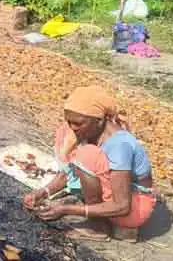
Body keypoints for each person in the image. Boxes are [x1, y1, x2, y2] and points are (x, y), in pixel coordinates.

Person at [24, 86, 156, 242]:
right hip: (118, 202)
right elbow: (68, 171)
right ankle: (97, 211)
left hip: (132, 210)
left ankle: (98, 228)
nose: (73, 127)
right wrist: (43, 192)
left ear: (99, 120)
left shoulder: (119, 145)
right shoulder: (92, 132)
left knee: (86, 155)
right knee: (66, 135)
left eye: (78, 123)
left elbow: (122, 205)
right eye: (70, 121)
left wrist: (67, 210)